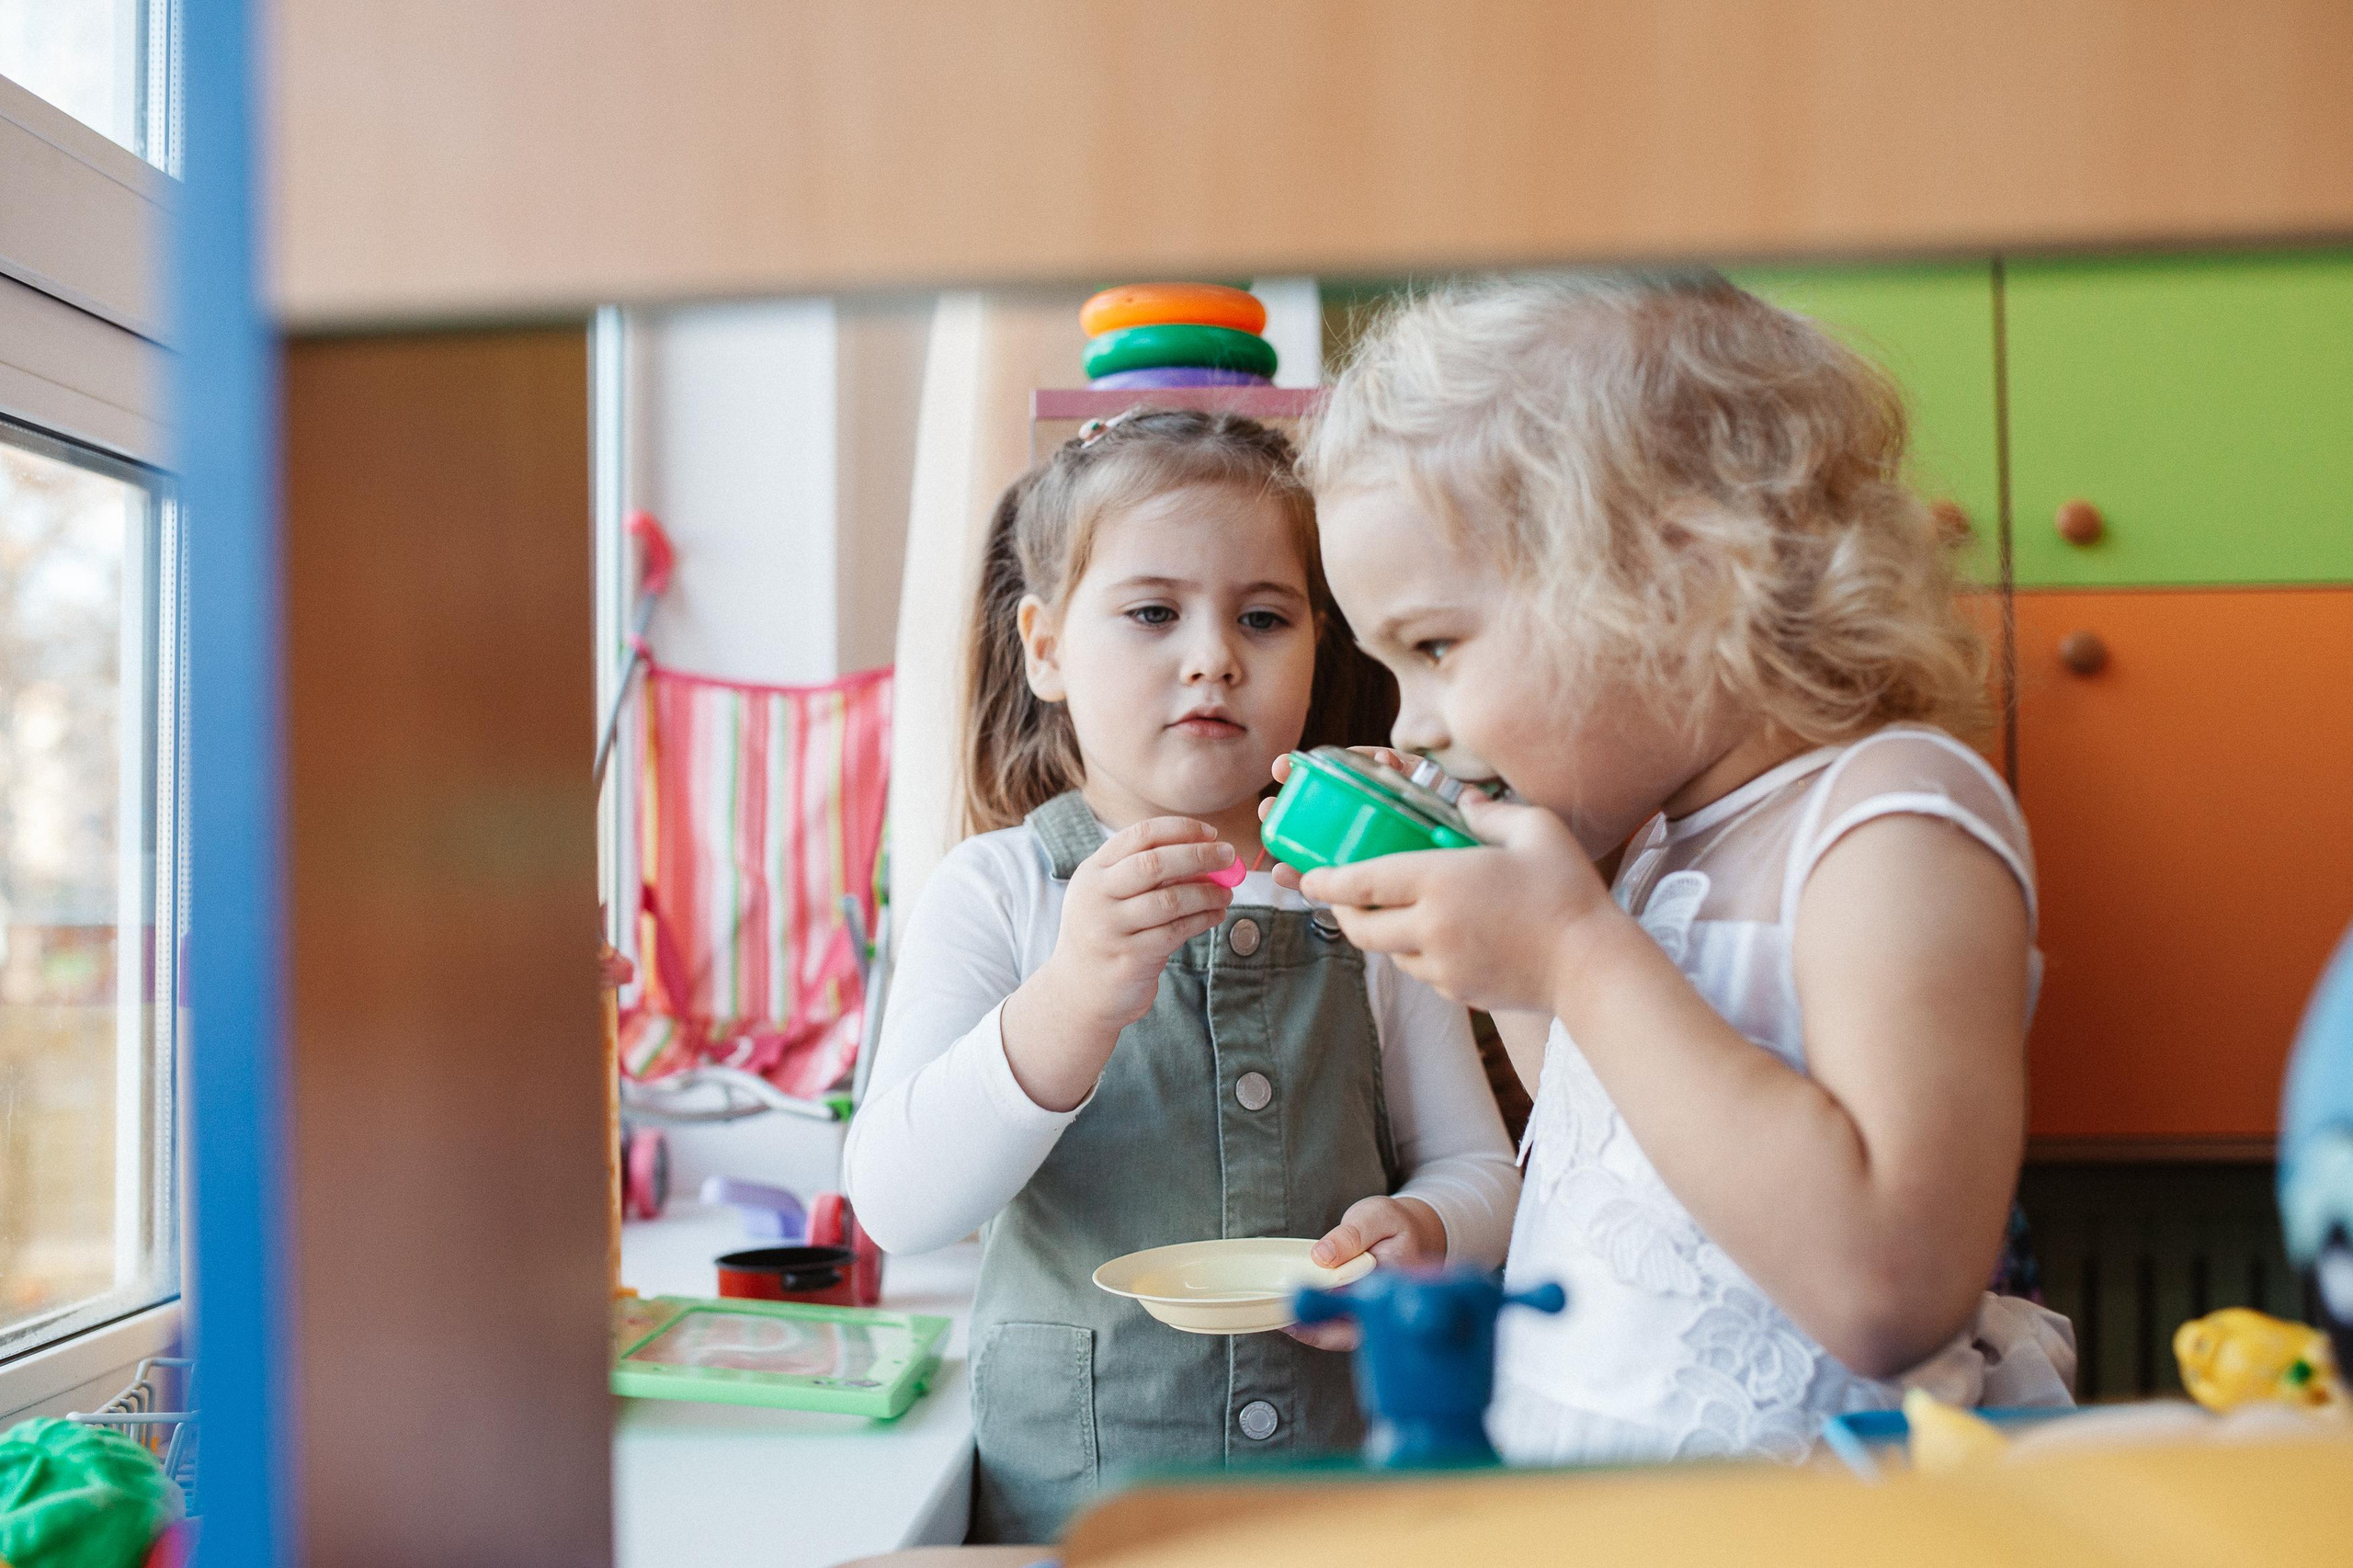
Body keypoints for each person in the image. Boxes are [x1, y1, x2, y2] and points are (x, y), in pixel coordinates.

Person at [1289, 274, 2075, 1466]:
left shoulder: (1890, 819)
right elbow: (1621, 1158)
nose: (1411, 723)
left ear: (1686, 580)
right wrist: (1510, 967)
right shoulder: (1657, 839)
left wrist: (1575, 951)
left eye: (1437, 645)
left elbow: (1889, 1287)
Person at [842, 409, 1518, 1540]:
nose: (1213, 654)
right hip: (1078, 1509)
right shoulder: (998, 889)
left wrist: (1425, 1226)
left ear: (1319, 646)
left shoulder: (1365, 885)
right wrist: (1071, 999)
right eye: (1153, 612)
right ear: (1046, 647)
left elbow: (1480, 1165)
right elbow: (898, 1203)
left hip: (1339, 1501)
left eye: (1263, 615)